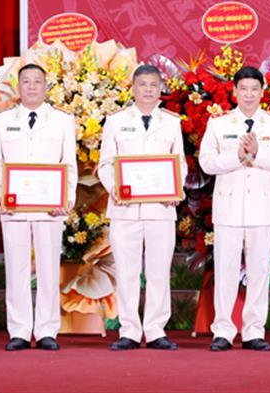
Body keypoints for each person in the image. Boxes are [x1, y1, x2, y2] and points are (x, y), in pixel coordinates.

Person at [199, 66, 270, 352]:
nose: (249, 94)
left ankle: (254, 330)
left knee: (259, 271)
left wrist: (259, 153)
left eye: (255, 89)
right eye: (244, 89)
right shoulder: (218, 124)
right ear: (234, 91)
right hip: (228, 207)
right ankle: (223, 331)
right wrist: (237, 156)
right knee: (226, 269)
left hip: (263, 208)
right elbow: (206, 163)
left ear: (263, 91)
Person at [0, 63, 77, 351]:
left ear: (46, 87)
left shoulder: (63, 121)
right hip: (14, 208)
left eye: (38, 81)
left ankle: (47, 330)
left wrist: (66, 200)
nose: (32, 86)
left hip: (50, 209)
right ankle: (20, 331)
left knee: (49, 269)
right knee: (17, 269)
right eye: (27, 81)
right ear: (18, 87)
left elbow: (69, 165)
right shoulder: (2, 121)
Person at [97, 65, 187, 351]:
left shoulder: (172, 122)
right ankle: (129, 331)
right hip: (125, 209)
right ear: (133, 88)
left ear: (160, 89)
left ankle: (156, 329)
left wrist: (176, 187)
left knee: (160, 271)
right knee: (126, 270)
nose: (148, 89)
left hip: (161, 208)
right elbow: (105, 164)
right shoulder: (115, 121)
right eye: (142, 84)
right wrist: (114, 187)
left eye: (153, 85)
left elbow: (179, 162)